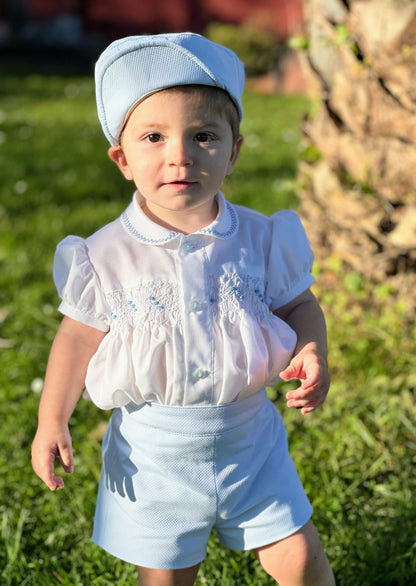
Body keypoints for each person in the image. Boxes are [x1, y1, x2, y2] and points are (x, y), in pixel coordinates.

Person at [31, 33, 335, 586]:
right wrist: (52, 419)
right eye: (154, 137)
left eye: (203, 136)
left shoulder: (261, 238)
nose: (181, 155)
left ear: (233, 150)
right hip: (155, 455)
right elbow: (76, 340)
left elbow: (299, 304)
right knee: (168, 577)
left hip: (252, 443)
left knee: (299, 557)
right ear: (122, 160)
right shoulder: (104, 255)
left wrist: (312, 348)